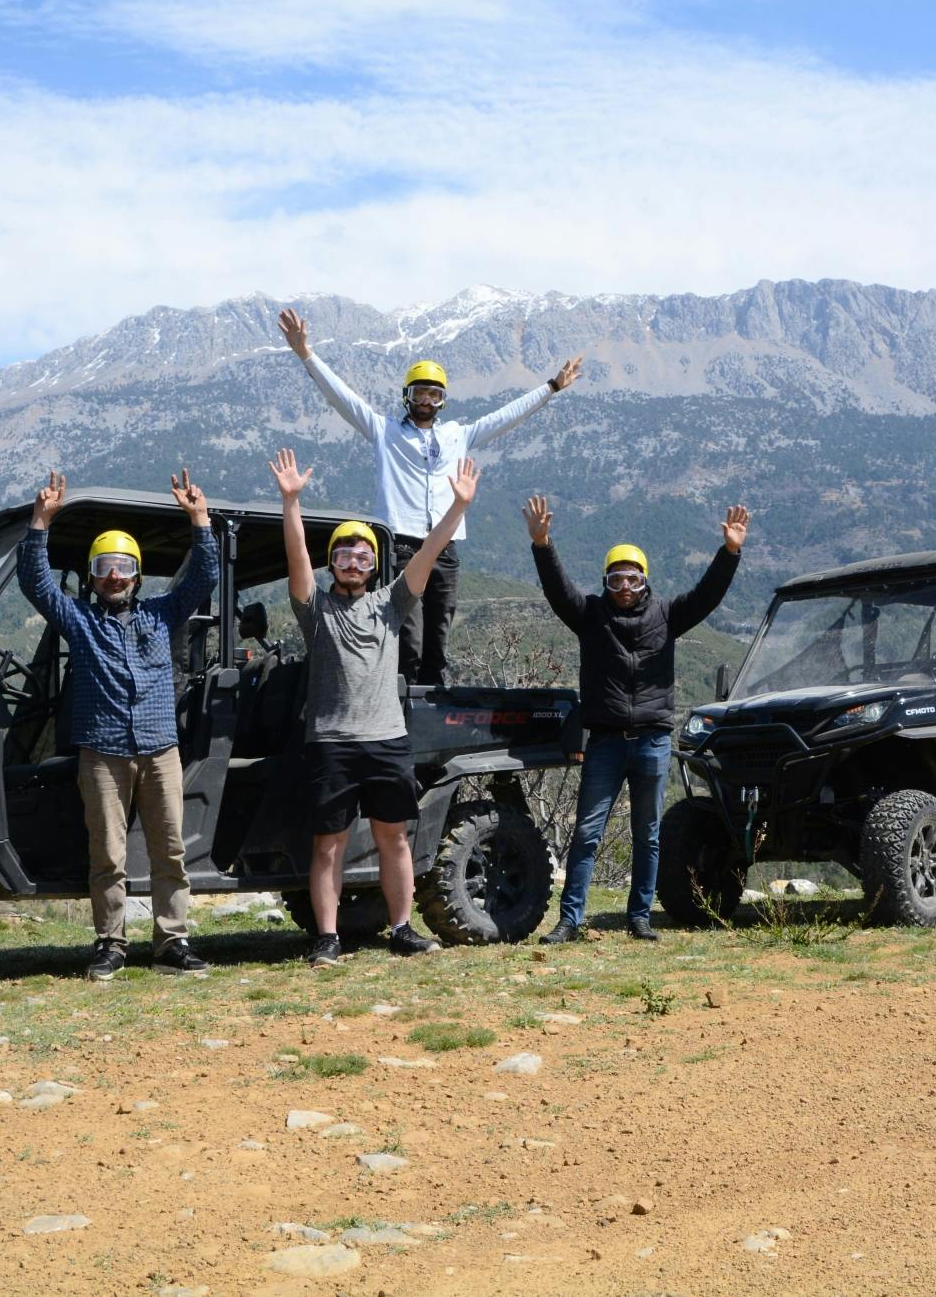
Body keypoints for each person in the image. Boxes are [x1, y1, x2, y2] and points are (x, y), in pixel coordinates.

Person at [277, 305, 584, 686]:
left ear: (443, 400)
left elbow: (506, 417)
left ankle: (433, 705)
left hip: (446, 546)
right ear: (407, 396)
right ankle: (401, 702)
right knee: (409, 637)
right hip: (401, 545)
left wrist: (550, 388)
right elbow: (343, 398)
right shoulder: (384, 431)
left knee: (439, 634)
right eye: (420, 393)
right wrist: (306, 354)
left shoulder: (458, 434)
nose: (426, 400)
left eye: (434, 394)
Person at [270, 445, 479, 967]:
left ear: (373, 565)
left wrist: (457, 510)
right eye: (343, 556)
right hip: (332, 743)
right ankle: (326, 937)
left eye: (363, 557)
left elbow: (428, 556)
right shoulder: (315, 611)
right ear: (332, 564)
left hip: (386, 740)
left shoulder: (390, 604)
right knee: (329, 846)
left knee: (395, 842)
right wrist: (291, 503)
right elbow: (296, 560)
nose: (353, 564)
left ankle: (403, 928)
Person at [20, 468, 220, 981]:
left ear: (138, 574)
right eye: (105, 566)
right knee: (107, 854)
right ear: (93, 574)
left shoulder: (161, 614)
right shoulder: (79, 621)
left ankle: (172, 941)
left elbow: (203, 579)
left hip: (160, 751)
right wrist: (41, 522)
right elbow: (36, 585)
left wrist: (199, 520)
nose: (115, 575)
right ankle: (111, 943)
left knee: (170, 850)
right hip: (103, 753)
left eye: (124, 566)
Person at [526, 495, 750, 943]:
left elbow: (707, 596)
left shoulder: (666, 615)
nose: (624, 585)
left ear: (644, 580)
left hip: (651, 741)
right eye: (615, 578)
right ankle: (570, 920)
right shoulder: (589, 616)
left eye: (632, 577)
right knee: (587, 833)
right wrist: (542, 544)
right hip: (606, 742)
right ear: (606, 581)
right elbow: (557, 589)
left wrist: (729, 553)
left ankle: (640, 917)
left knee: (647, 835)